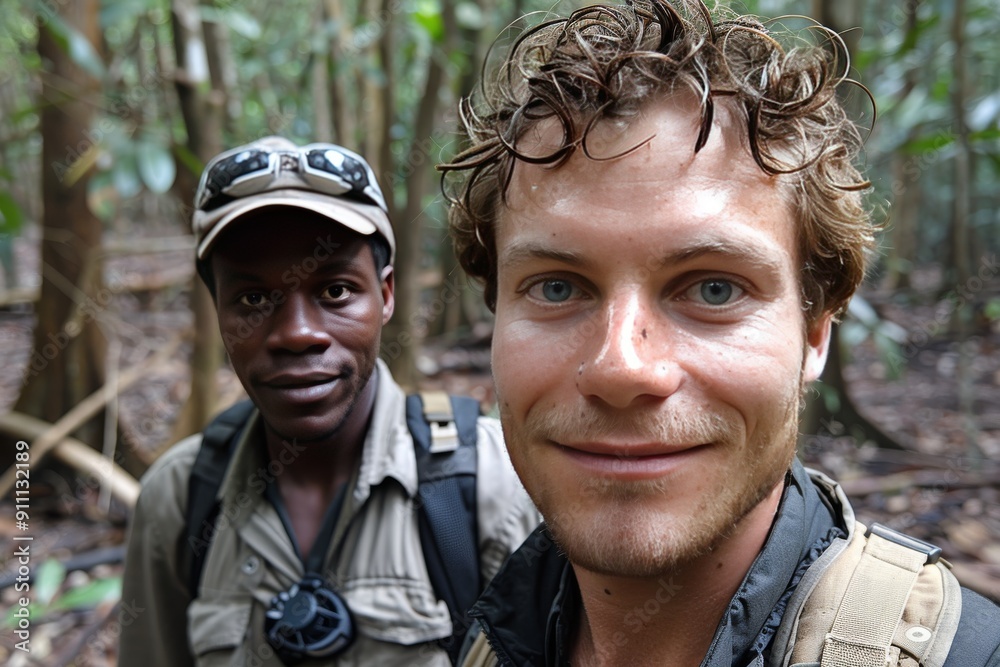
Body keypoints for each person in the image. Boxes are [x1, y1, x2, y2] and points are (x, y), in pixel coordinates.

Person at [439, 1, 1000, 665]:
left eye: (714, 288)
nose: (622, 367)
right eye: (557, 287)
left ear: (815, 332)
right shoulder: (488, 627)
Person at [119, 137, 538, 666]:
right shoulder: (180, 501)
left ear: (385, 296)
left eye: (336, 291)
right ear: (218, 312)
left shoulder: (493, 484)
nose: (297, 334)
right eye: (253, 299)